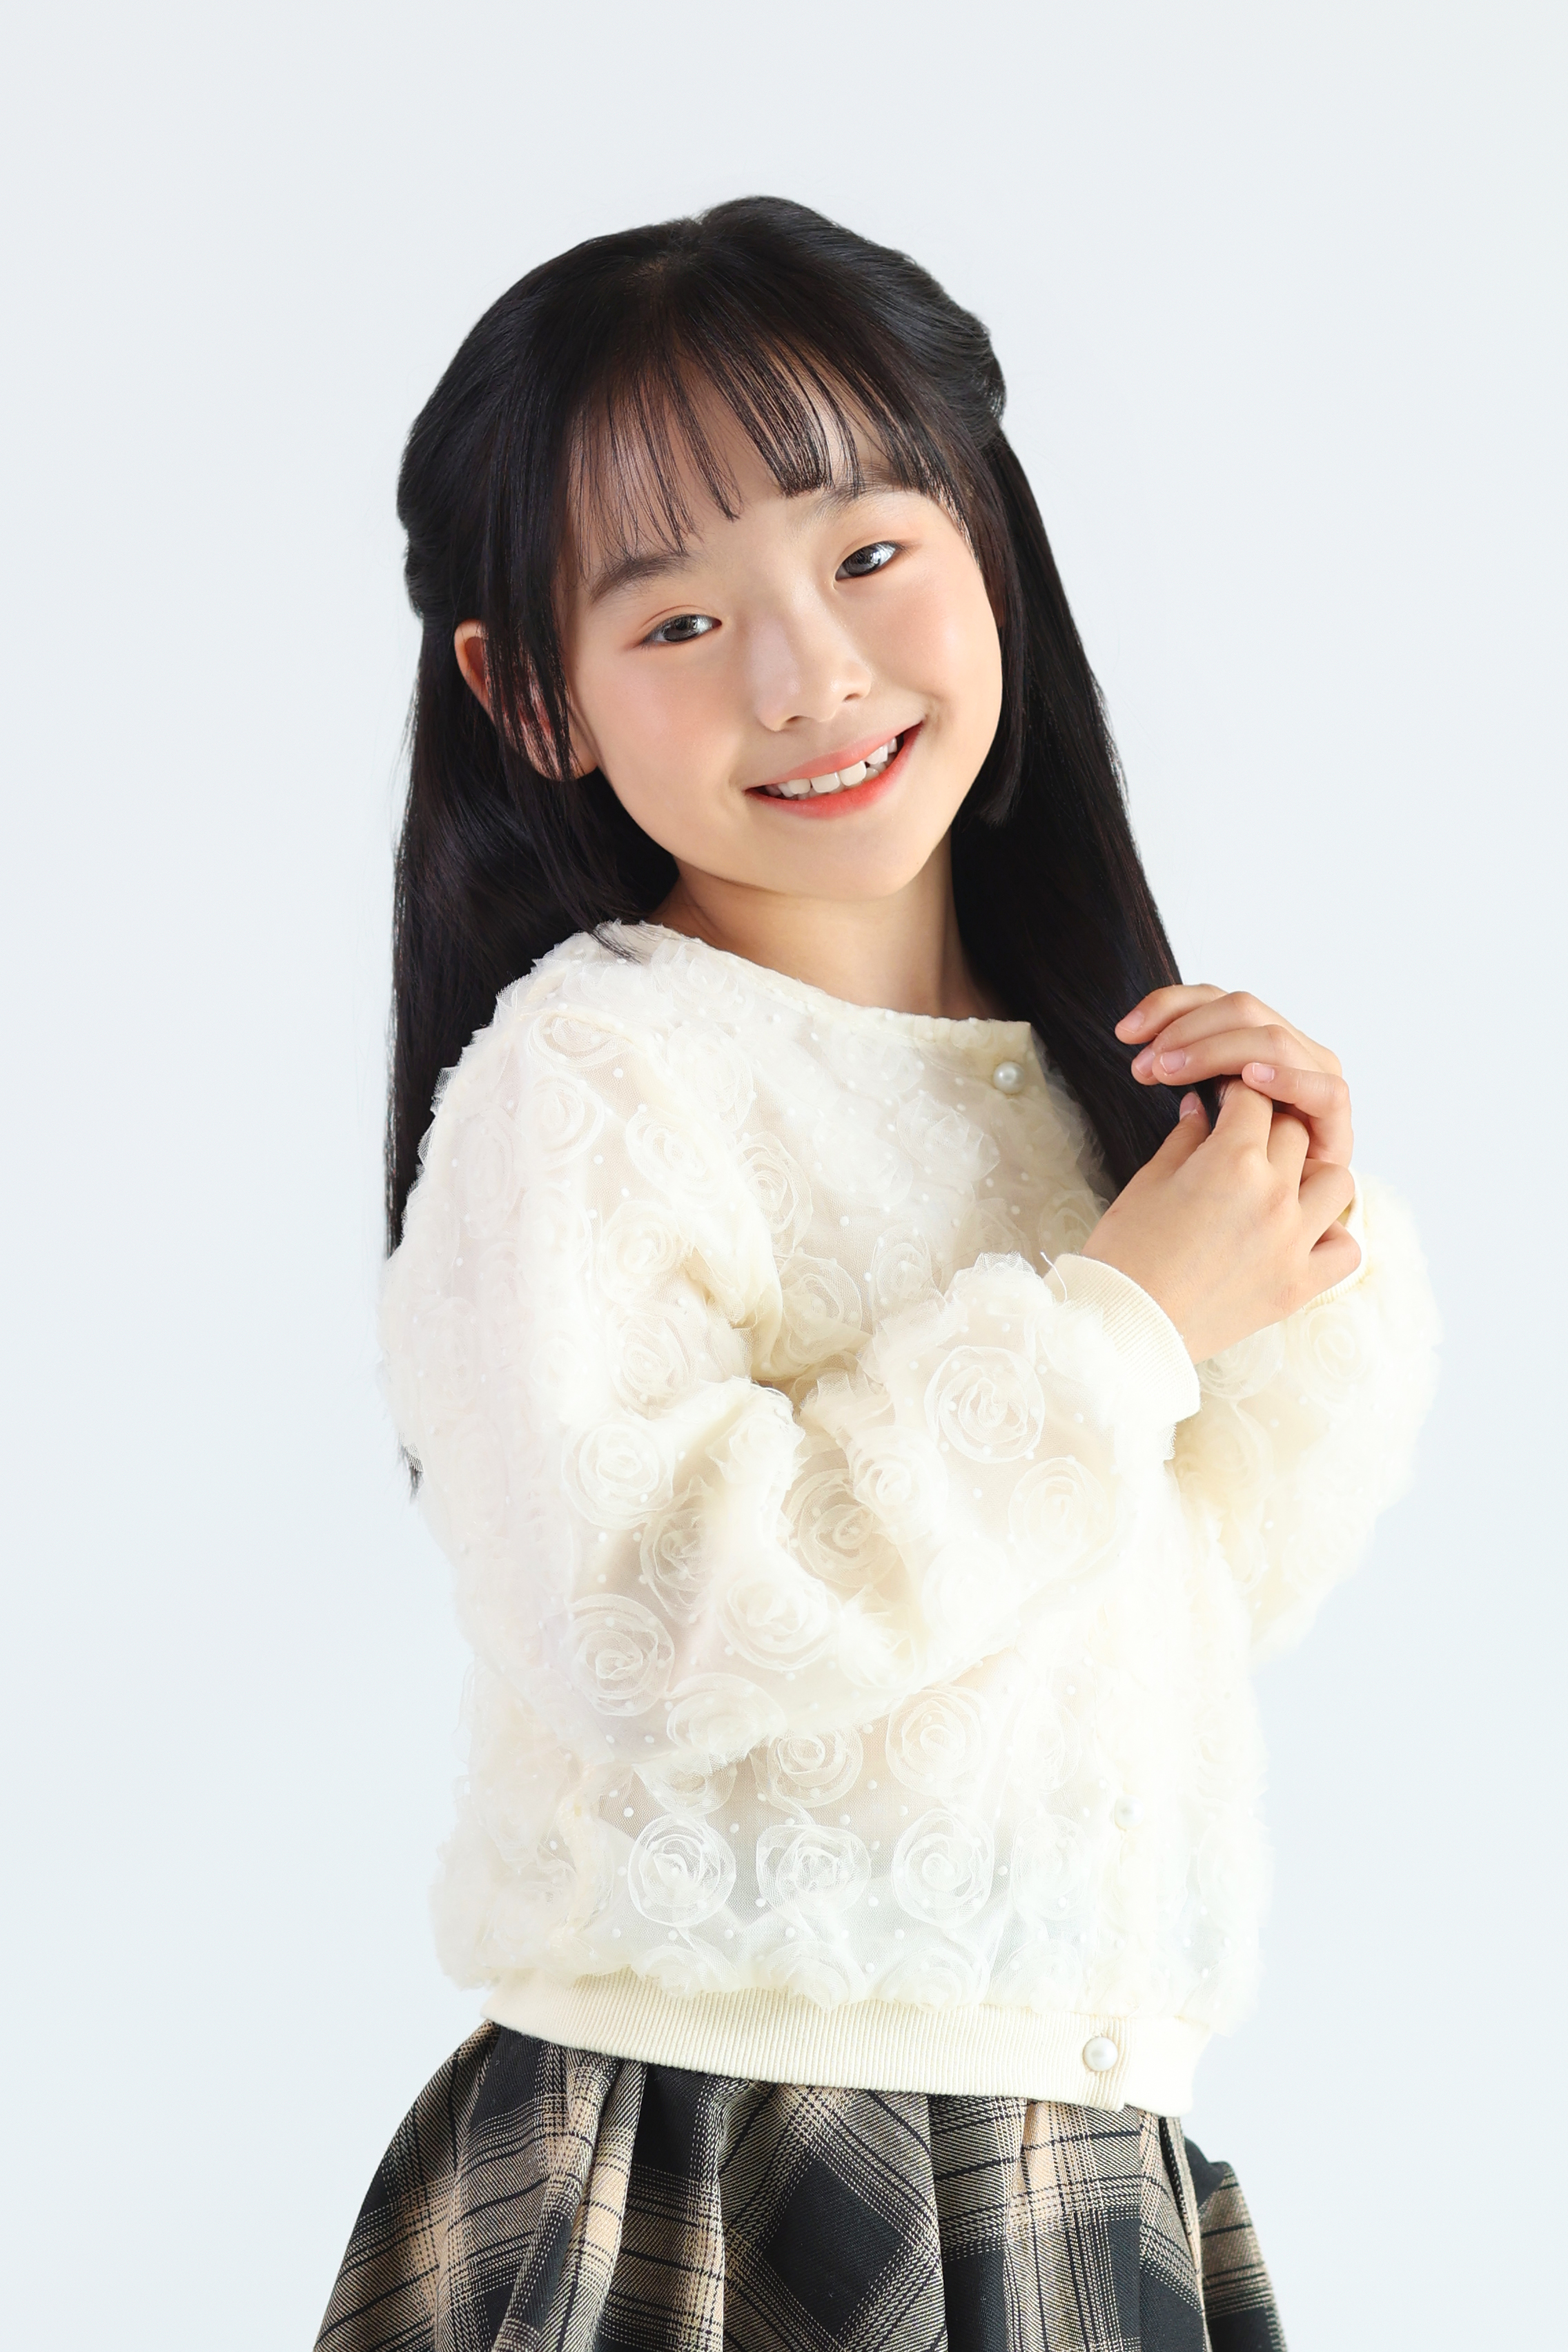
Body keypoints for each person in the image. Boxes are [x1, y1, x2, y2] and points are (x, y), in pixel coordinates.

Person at [316, 198, 1438, 2352]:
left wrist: (1296, 1237)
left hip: (1078, 2145)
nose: (805, 674)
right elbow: (645, 1619)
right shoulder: (599, 1078)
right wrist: (1123, 1322)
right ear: (530, 695)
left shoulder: (1080, 1074)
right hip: (708, 2155)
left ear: (986, 540)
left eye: (865, 554)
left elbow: (1224, 1579)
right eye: (674, 618)